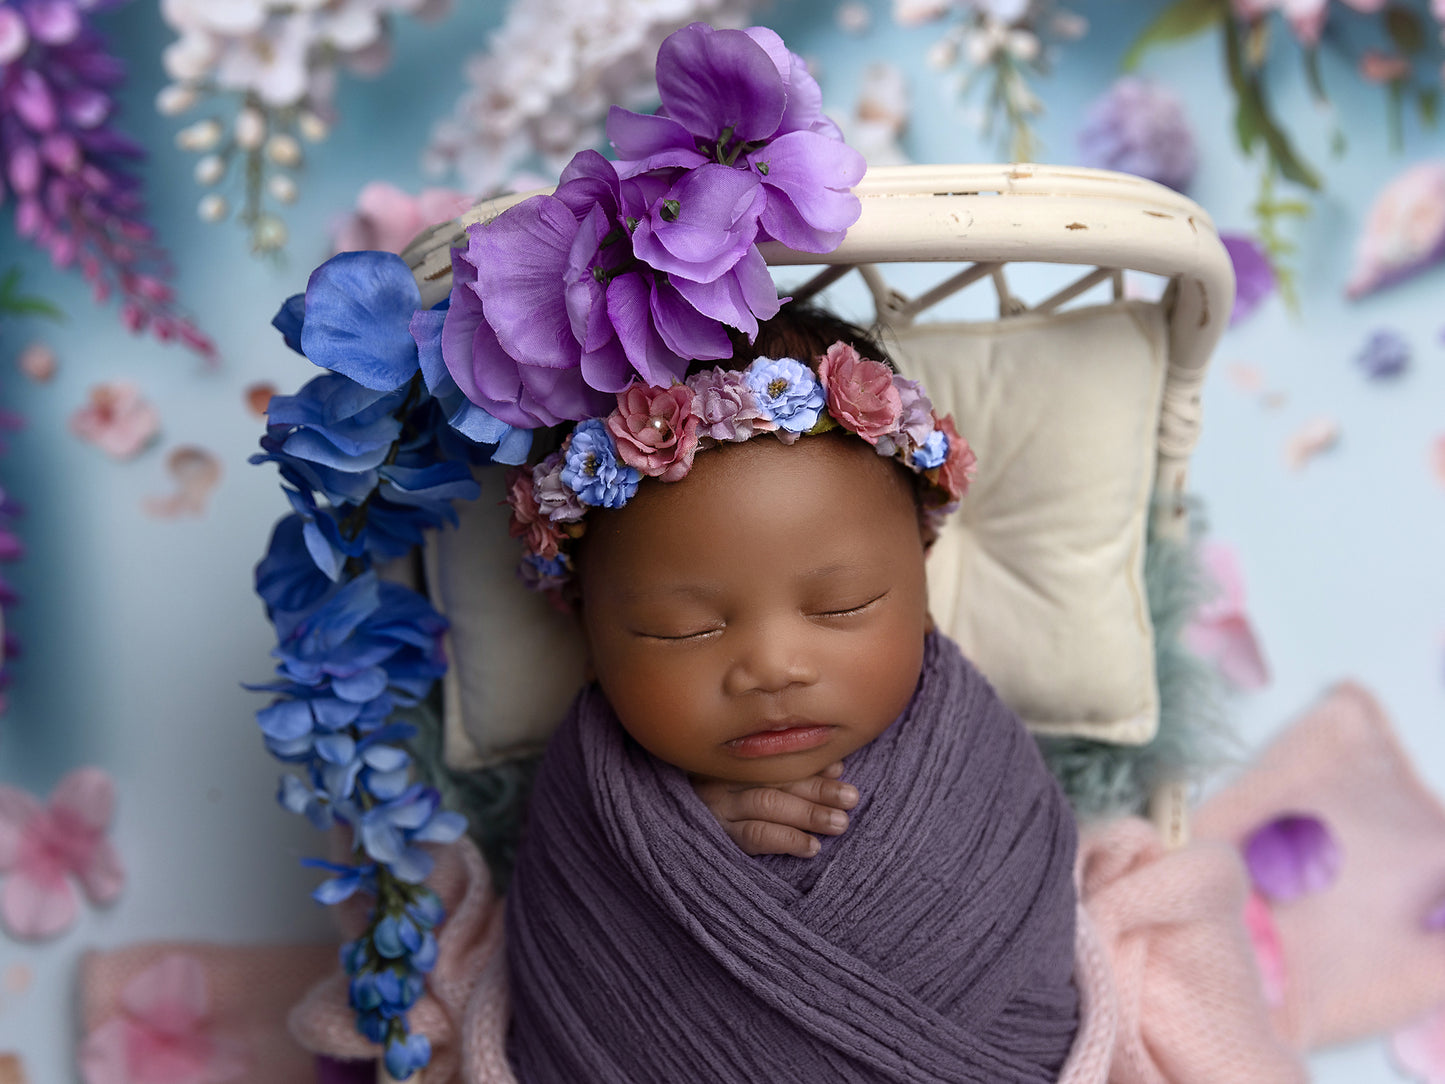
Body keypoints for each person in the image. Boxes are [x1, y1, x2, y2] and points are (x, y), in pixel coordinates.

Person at [500, 305, 1082, 1084]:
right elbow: (570, 968)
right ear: (587, 633)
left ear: (920, 577)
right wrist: (665, 842)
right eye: (680, 628)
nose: (772, 668)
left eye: (840, 607)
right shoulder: (591, 802)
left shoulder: (977, 762)